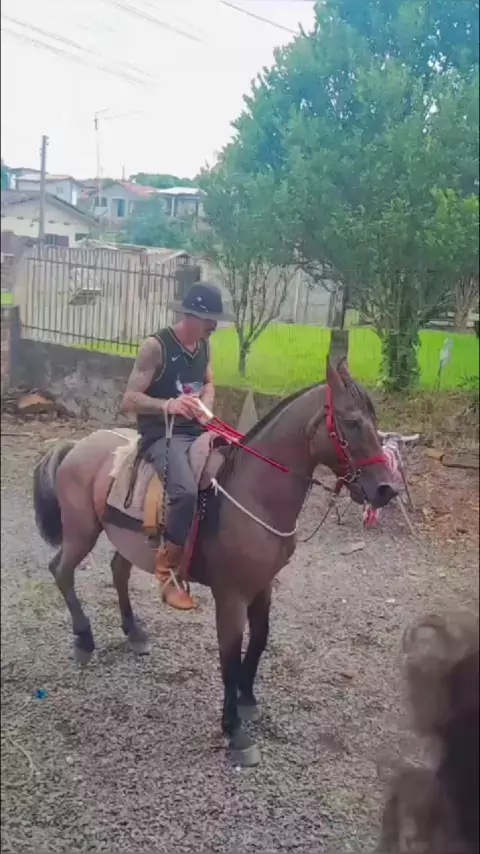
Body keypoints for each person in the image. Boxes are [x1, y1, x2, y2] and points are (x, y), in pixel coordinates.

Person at [121, 282, 234, 611]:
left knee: (235, 470)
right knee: (184, 492)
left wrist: (205, 403)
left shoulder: (204, 345)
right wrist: (169, 405)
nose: (214, 326)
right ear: (191, 316)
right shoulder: (155, 347)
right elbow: (128, 400)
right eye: (209, 319)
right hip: (162, 435)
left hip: (197, 430)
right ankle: (167, 572)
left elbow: (209, 381)